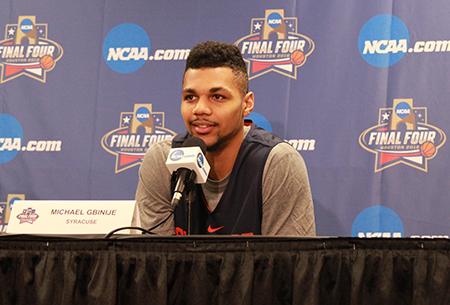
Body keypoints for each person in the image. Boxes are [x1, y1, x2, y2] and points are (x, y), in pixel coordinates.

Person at [132, 41, 315, 236]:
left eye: (217, 97)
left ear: (247, 103)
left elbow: (287, 263)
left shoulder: (277, 162)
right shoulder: (162, 160)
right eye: (190, 97)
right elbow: (155, 261)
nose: (200, 109)